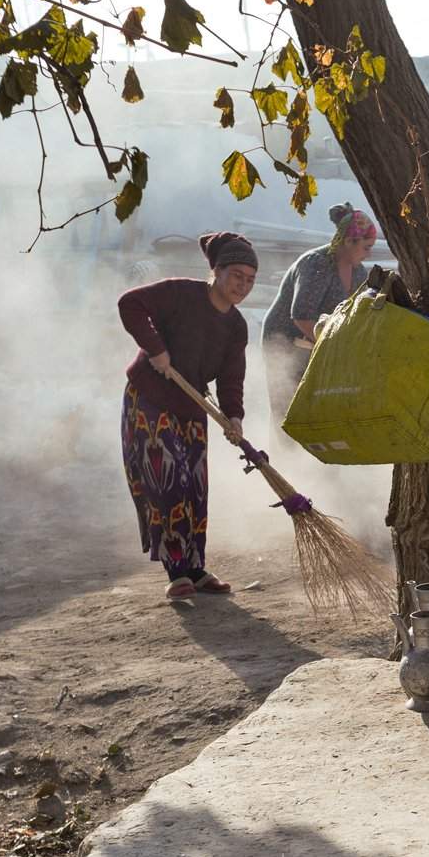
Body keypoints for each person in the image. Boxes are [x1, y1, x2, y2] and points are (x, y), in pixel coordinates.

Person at [118, 230, 258, 603]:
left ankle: (196, 568)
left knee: (195, 486)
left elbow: (232, 376)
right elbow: (130, 304)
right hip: (150, 399)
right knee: (169, 482)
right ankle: (176, 571)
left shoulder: (236, 325)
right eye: (236, 276)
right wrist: (156, 349)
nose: (242, 286)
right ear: (217, 271)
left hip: (191, 403)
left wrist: (234, 416)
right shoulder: (181, 293)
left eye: (250, 280)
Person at [260, 203, 378, 428]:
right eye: (366, 247)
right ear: (348, 241)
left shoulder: (359, 272)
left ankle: (322, 457)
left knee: (323, 402)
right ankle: (287, 454)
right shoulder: (316, 263)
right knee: (290, 406)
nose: (369, 253)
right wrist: (333, 347)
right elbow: (302, 315)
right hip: (286, 339)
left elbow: (357, 314)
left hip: (320, 341)